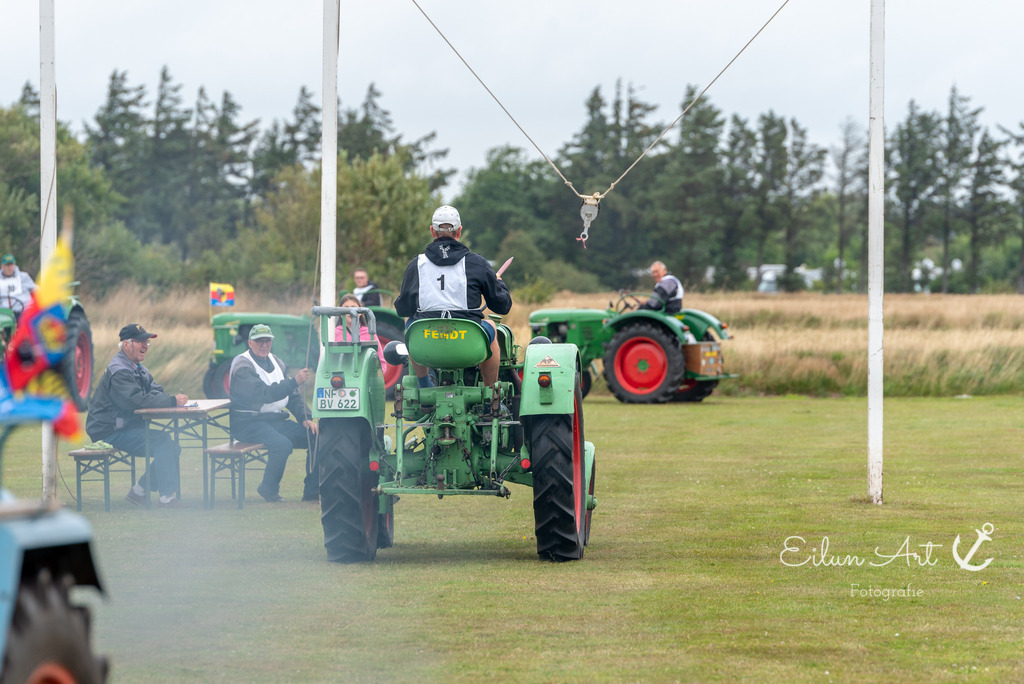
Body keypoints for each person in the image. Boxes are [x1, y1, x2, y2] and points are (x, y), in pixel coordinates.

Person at [394, 205, 512, 387]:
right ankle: (491, 393)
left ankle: (424, 384)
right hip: (467, 346)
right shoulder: (477, 263)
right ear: (460, 232)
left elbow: (403, 309)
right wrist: (498, 282)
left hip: (426, 345)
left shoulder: (416, 265)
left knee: (410, 322)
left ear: (433, 231)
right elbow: (502, 306)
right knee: (490, 327)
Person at [86, 324, 187, 509]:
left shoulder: (137, 367)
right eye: (140, 341)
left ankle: (139, 491)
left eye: (146, 341)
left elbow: (156, 390)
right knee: (164, 442)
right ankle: (166, 499)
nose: (145, 345)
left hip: (125, 427)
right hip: (108, 431)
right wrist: (172, 401)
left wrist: (167, 399)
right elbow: (136, 401)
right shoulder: (120, 370)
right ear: (126, 344)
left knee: (172, 446)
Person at [228, 324, 318, 502]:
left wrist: (305, 418)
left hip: (274, 420)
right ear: (249, 343)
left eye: (267, 340)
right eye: (259, 341)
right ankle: (268, 489)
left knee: (315, 436)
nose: (264, 345)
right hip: (247, 423)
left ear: (271, 342)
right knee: (282, 445)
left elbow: (292, 396)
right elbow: (264, 394)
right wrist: (294, 381)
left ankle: (312, 492)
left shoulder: (277, 361)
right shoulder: (242, 366)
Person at [335, 293, 388, 373]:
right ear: (341, 314)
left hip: (365, 376)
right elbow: (325, 359)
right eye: (346, 308)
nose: (350, 311)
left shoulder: (369, 333)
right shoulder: (335, 333)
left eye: (353, 307)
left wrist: (376, 375)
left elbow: (380, 361)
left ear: (360, 312)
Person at [0, 253, 37, 318]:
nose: (9, 268)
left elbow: (36, 291)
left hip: (22, 312)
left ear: (14, 265)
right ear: (2, 266)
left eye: (11, 265)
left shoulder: (23, 277)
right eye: (7, 265)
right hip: (3, 314)